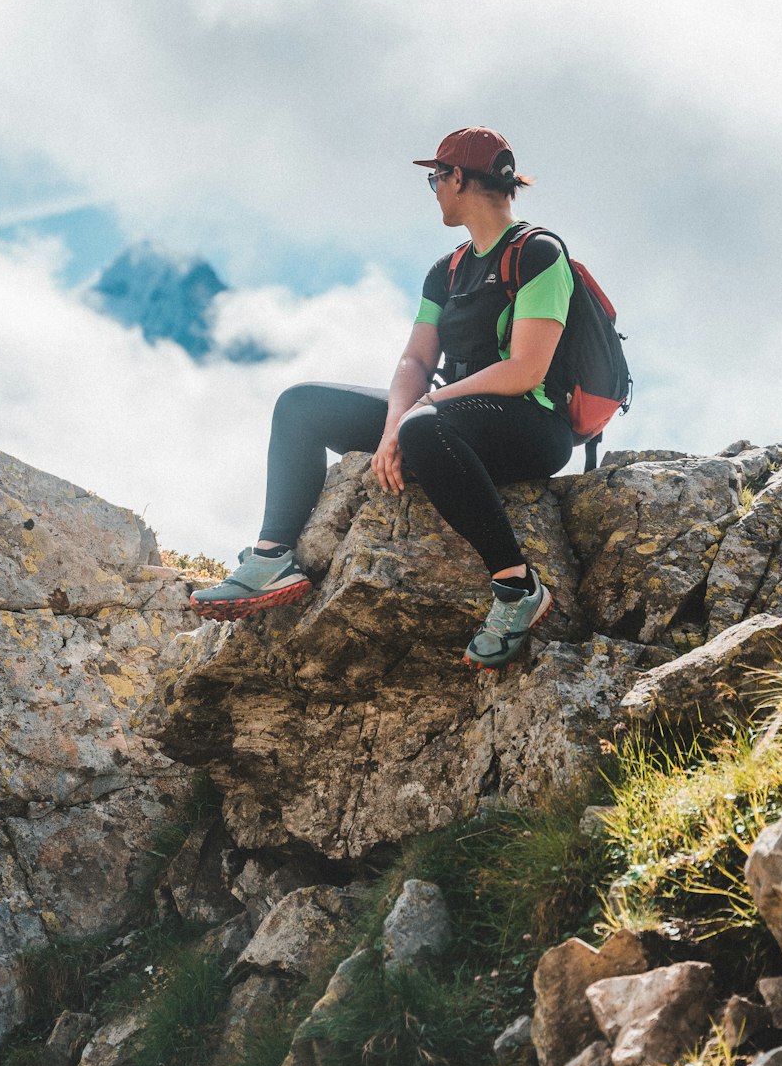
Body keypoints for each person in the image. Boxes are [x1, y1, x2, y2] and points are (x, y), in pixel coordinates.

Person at [190, 127, 575, 668]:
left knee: (424, 428)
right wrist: (395, 422)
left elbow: (525, 369)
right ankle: (273, 557)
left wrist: (423, 411)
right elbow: (416, 361)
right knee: (300, 404)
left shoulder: (539, 253)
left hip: (533, 425)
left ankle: (517, 588)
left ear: (458, 178)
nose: (434, 189)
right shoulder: (449, 270)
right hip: (449, 418)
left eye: (435, 177)